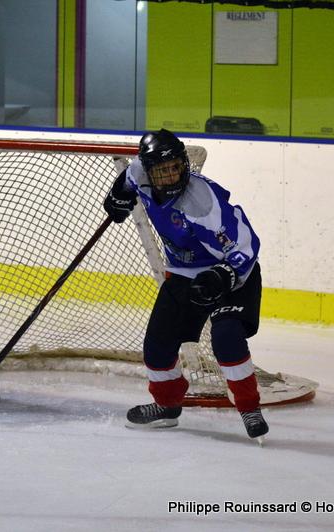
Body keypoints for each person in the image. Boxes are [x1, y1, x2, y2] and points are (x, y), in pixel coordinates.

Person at [103, 128, 267, 440]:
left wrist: (222, 276)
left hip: (232, 274)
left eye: (176, 167)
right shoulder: (139, 172)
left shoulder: (202, 203)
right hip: (183, 273)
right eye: (163, 170)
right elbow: (128, 180)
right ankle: (166, 405)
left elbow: (245, 247)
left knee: (227, 338)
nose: (172, 175)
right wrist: (118, 195)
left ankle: (249, 407)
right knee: (157, 344)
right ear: (150, 171)